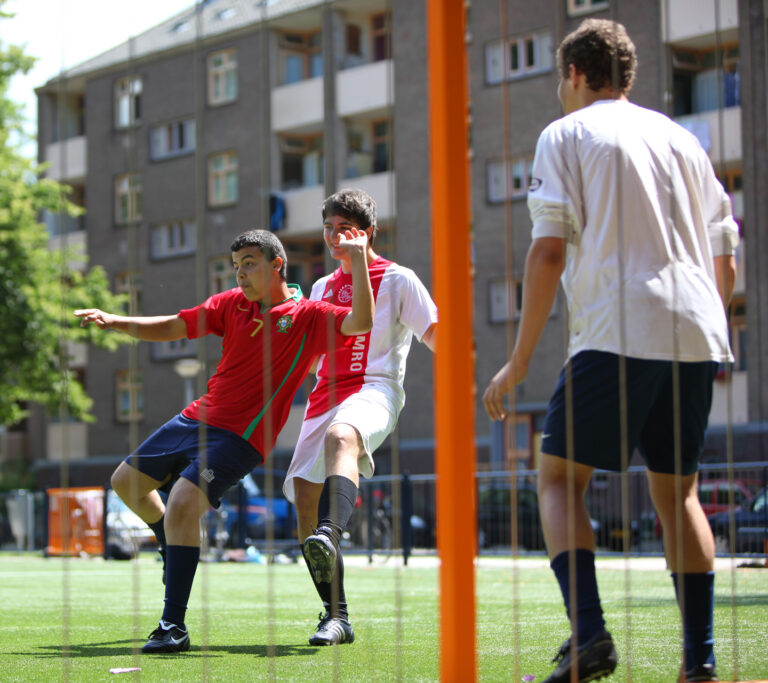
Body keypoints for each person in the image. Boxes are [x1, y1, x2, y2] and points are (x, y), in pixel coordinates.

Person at [482, 19, 737, 683]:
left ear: (572, 75)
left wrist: (517, 359)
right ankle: (700, 662)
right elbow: (726, 257)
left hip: (617, 329)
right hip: (697, 329)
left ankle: (590, 634)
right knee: (678, 495)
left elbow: (546, 250)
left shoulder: (565, 133)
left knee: (559, 477)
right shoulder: (684, 139)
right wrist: (709, 321)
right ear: (629, 76)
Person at [75, 228, 375, 654]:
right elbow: (175, 326)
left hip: (241, 437)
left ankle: (172, 626)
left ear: (277, 265)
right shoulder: (231, 305)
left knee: (182, 502)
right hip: (196, 417)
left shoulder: (308, 315)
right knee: (125, 482)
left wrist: (358, 258)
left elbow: (361, 322)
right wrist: (115, 321)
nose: (240, 275)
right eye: (236, 266)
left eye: (249, 264)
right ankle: (169, 541)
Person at [284, 188, 438, 646]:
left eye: (343, 229)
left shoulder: (398, 279)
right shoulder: (319, 287)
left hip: (376, 388)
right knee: (303, 511)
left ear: (367, 232)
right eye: (327, 229)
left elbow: (437, 337)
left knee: (342, 435)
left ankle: (334, 531)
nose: (333, 238)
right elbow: (314, 357)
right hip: (324, 394)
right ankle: (337, 617)